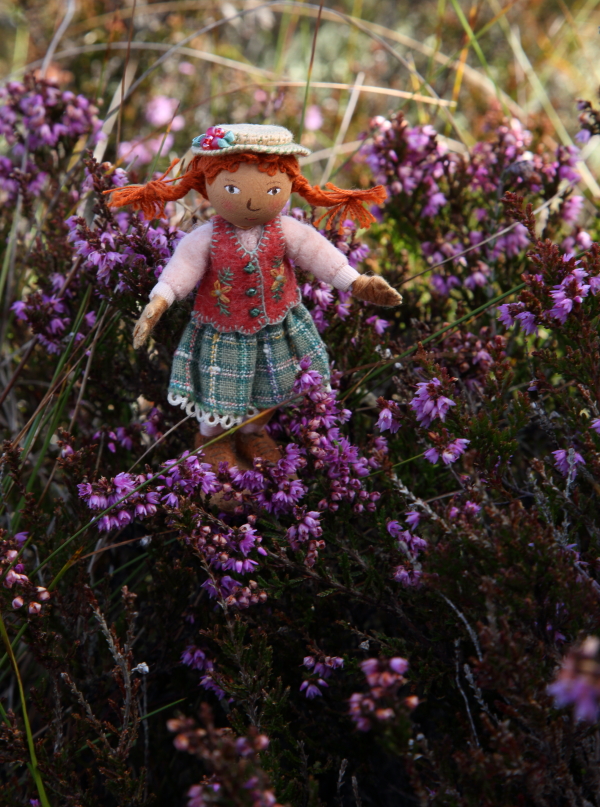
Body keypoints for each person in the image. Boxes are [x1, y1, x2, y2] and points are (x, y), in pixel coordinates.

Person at [106, 123, 402, 470]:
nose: (250, 201)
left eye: (273, 189)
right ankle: (211, 438)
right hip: (223, 331)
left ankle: (252, 432)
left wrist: (356, 282)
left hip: (278, 326)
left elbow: (318, 254)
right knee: (219, 391)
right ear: (206, 183)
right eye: (231, 188)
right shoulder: (206, 238)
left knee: (277, 385)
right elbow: (182, 268)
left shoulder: (286, 230)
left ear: (291, 184)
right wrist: (160, 300)